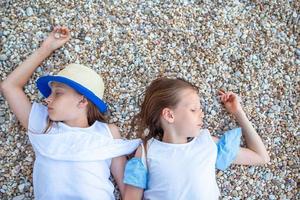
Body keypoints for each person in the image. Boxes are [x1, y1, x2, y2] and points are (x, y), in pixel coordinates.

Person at [0, 26, 140, 200]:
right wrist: (46, 48)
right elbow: (9, 86)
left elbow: (127, 191)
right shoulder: (42, 124)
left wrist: (141, 161)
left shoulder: (107, 132)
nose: (47, 99)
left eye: (57, 93)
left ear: (82, 101)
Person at [123, 77, 270, 200]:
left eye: (200, 110)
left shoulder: (206, 143)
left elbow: (260, 157)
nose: (202, 114)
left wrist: (238, 112)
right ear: (169, 115)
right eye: (193, 110)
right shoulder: (147, 151)